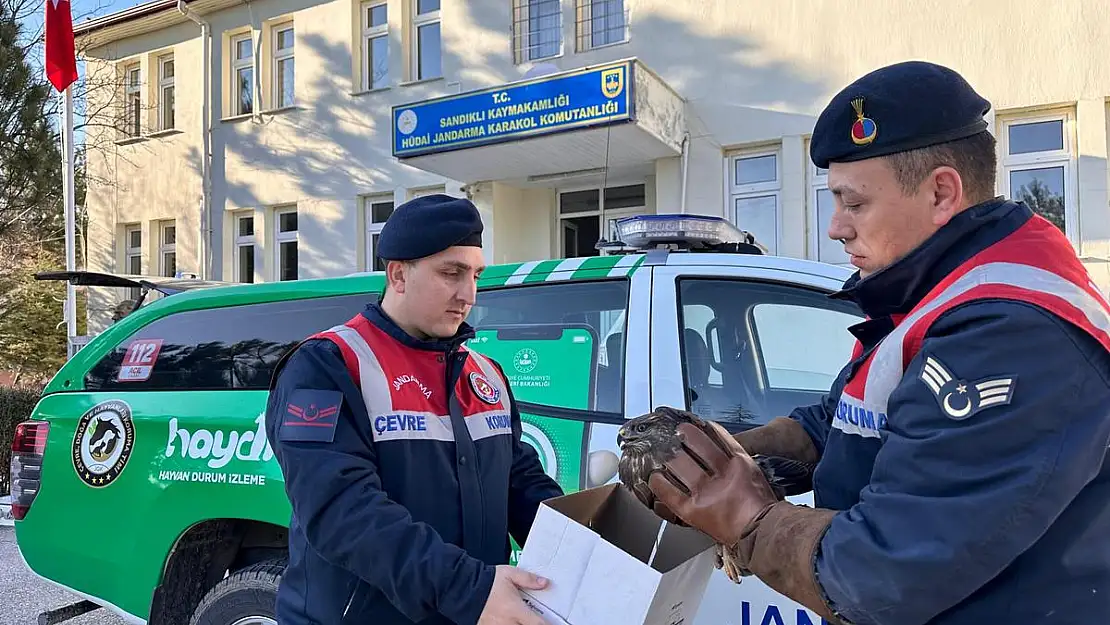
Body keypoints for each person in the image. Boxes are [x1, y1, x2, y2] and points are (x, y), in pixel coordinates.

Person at [639, 60, 1110, 624]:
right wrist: (726, 452)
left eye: (853, 202)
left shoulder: (1011, 332)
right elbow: (846, 420)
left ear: (941, 193)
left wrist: (749, 518)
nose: (836, 226)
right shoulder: (935, 295)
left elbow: (882, 572)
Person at [264, 194, 564, 625]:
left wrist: (585, 549)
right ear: (398, 274)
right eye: (451, 273)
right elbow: (341, 511)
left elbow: (521, 483)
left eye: (476, 275)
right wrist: (468, 589)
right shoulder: (328, 364)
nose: (469, 294)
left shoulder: (485, 373)